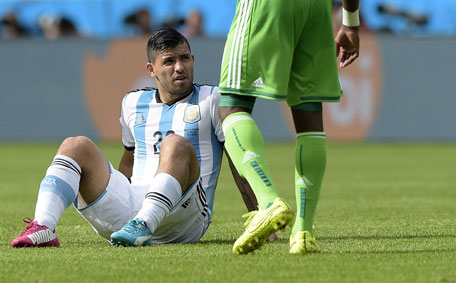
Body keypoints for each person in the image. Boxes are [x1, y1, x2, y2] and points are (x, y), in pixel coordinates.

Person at [11, 27, 257, 248]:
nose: (179, 67)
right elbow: (128, 161)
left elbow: (237, 160)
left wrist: (257, 216)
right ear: (152, 69)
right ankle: (43, 226)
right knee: (75, 145)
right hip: (131, 213)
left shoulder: (212, 99)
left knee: (174, 143)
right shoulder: (133, 102)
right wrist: (116, 198)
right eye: (169, 61)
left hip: (185, 218)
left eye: (184, 58)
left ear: (193, 60)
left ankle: (144, 223)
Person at [218, 0, 360, 254]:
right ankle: (303, 232)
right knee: (309, 115)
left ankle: (268, 202)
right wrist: (350, 22)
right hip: (317, 9)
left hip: (267, 7)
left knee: (231, 105)